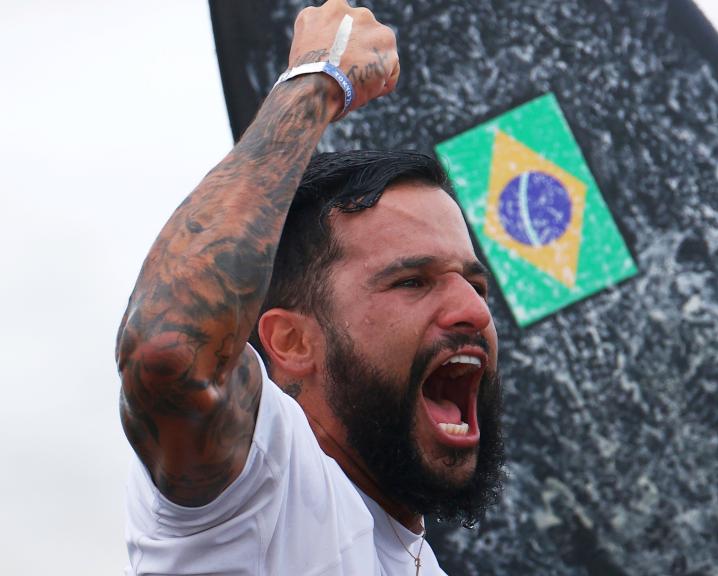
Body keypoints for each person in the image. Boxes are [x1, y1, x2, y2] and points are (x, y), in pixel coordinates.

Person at [115, 2, 504, 574]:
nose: (473, 310)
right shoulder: (265, 487)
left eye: (475, 283)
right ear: (292, 342)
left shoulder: (411, 557)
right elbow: (170, 350)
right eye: (412, 281)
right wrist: (318, 80)